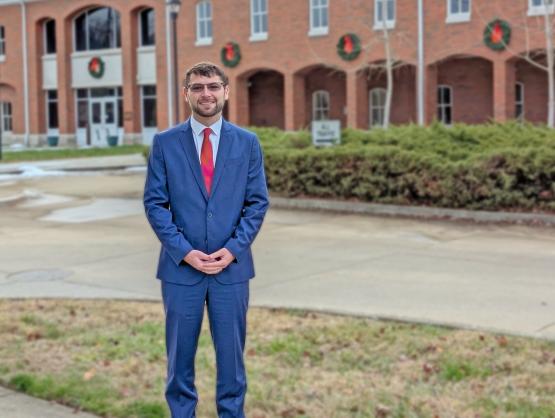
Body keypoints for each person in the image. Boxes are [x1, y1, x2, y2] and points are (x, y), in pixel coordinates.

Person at [143, 62, 269, 418]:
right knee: (179, 365)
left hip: (232, 272)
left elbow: (257, 203)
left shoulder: (247, 143)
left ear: (226, 91)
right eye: (197, 88)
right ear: (186, 94)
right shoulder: (165, 143)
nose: (206, 94)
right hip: (181, 272)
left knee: (232, 366)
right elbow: (155, 203)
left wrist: (232, 250)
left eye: (213, 86)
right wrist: (184, 252)